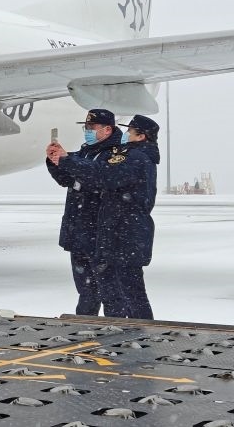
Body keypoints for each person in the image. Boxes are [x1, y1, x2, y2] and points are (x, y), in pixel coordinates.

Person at [49, 115, 160, 319]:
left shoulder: (135, 158)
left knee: (126, 294)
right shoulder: (129, 155)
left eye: (130, 131)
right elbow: (87, 176)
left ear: (141, 136)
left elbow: (103, 175)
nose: (125, 134)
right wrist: (60, 161)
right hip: (117, 232)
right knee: (123, 293)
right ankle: (128, 328)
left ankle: (136, 330)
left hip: (124, 233)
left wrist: (67, 160)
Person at [46, 108, 122, 316]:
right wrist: (55, 161)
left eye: (91, 127)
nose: (87, 130)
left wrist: (68, 161)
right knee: (87, 291)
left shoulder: (116, 155)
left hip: (100, 234)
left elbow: (96, 177)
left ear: (107, 130)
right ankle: (85, 324)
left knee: (109, 293)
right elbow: (67, 179)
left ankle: (116, 328)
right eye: (86, 127)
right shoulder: (86, 151)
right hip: (79, 232)